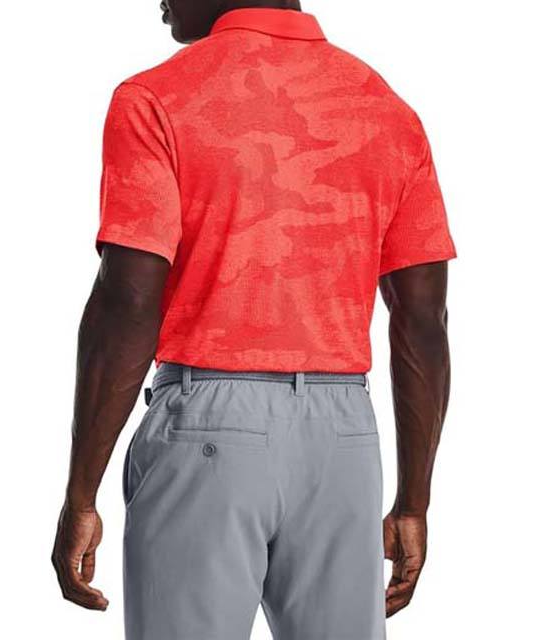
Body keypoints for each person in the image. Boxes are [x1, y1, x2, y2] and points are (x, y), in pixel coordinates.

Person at [51, 1, 456, 638]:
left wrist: (81, 492)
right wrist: (412, 502)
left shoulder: (156, 98)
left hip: (207, 425)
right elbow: (424, 322)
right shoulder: (386, 110)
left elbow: (127, 302)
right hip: (345, 439)